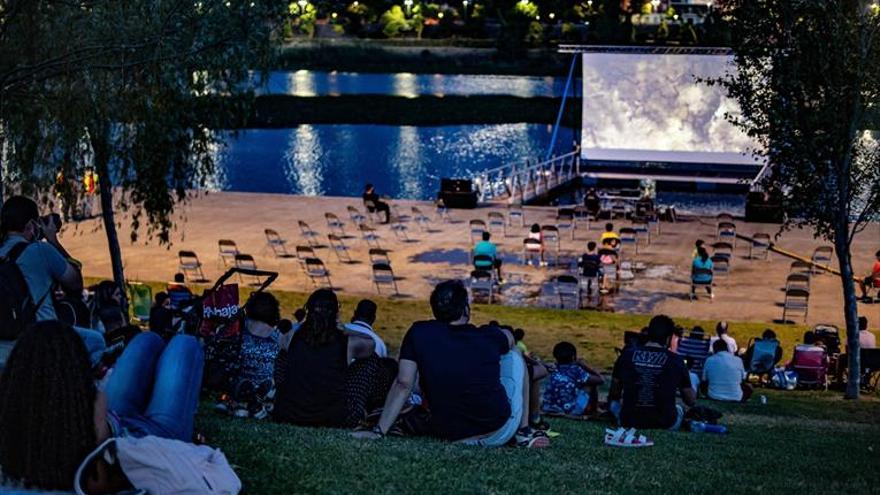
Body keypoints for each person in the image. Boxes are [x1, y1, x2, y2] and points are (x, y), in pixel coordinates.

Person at [0, 321, 203, 492]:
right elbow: (99, 425)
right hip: (143, 441)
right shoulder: (80, 466)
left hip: (116, 423)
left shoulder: (20, 430)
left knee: (147, 340)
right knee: (184, 344)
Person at [353, 280, 549, 448]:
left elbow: (403, 384)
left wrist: (379, 431)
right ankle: (524, 431)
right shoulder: (488, 336)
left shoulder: (419, 333)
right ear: (465, 308)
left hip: (448, 433)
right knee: (514, 355)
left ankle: (519, 430)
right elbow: (510, 339)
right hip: (495, 431)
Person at [0, 196, 104, 364]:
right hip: (39, 341)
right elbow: (76, 283)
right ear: (31, 226)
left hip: (3, 349)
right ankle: (78, 388)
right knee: (96, 341)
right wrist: (52, 239)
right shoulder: (41, 251)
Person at [274, 289, 396, 428]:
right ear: (336, 313)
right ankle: (374, 405)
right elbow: (371, 342)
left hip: (289, 412)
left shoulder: (292, 337)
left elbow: (281, 342)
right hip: (332, 417)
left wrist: (306, 323)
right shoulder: (348, 343)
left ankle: (281, 395)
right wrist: (346, 330)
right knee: (371, 359)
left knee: (283, 355)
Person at [608, 315, 697, 430]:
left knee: (615, 406)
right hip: (665, 422)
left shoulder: (626, 355)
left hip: (628, 420)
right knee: (679, 409)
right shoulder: (676, 361)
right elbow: (690, 400)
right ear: (668, 338)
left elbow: (614, 392)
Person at [230, 292, 282, 419]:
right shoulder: (278, 337)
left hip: (241, 381)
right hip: (266, 383)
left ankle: (243, 403)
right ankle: (258, 402)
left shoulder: (241, 331)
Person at [542, 342, 604, 417]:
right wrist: (584, 365)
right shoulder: (576, 370)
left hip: (549, 407)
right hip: (570, 410)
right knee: (590, 385)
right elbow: (601, 379)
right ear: (574, 357)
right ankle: (594, 411)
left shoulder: (552, 368)